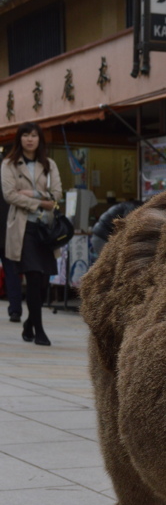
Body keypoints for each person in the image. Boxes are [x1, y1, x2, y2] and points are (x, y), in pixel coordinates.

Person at [1, 121, 63, 346]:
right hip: (23, 227)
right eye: (25, 135)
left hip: (46, 229)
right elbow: (9, 194)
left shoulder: (49, 164)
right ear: (19, 138)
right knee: (34, 276)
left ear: (40, 139)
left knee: (44, 279)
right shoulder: (9, 164)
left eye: (34, 135)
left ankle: (29, 323)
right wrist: (39, 202)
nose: (29, 139)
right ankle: (39, 330)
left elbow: (56, 194)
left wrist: (32, 193)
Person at [0, 189, 22, 323]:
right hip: (8, 236)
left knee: (12, 275)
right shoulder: (11, 184)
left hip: (8, 235)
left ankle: (15, 310)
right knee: (12, 274)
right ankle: (15, 310)